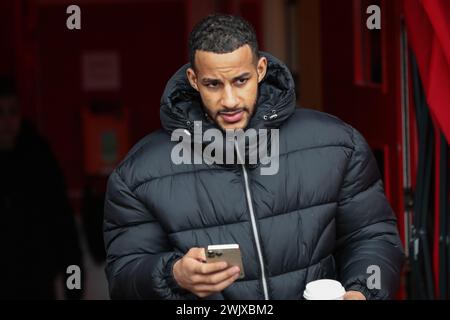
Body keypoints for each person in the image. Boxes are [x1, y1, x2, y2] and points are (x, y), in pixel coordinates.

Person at [103, 14, 404, 300]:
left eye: (240, 81)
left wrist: (361, 291)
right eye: (213, 84)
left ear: (260, 70)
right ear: (194, 80)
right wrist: (173, 275)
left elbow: (371, 236)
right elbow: (123, 275)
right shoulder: (137, 174)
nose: (230, 100)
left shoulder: (338, 144)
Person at [0, 77, 83, 299]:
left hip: (35, 275)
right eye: (1, 113)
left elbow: (63, 224)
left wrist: (74, 287)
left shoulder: (37, 157)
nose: (7, 121)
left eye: (12, 112)